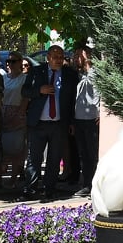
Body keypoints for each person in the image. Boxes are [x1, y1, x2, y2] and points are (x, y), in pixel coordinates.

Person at [27, 44, 77, 201]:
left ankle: (50, 188)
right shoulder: (37, 71)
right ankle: (31, 188)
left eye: (61, 57)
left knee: (54, 159)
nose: (58, 60)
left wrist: (71, 122)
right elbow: (25, 91)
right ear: (48, 57)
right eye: (55, 57)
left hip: (58, 124)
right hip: (39, 123)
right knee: (34, 158)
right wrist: (39, 90)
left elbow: (72, 100)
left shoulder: (70, 75)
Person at [73, 46, 101, 197]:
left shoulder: (95, 73)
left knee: (92, 154)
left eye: (79, 54)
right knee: (83, 154)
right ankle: (87, 184)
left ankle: (96, 185)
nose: (77, 56)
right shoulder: (79, 74)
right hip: (79, 119)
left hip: (92, 119)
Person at [0, 52, 29, 189]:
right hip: (3, 112)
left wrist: (20, 113)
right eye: (8, 61)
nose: (10, 64)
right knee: (3, 147)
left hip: (18, 113)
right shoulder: (3, 78)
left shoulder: (24, 79)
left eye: (13, 61)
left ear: (20, 62)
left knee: (17, 148)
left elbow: (26, 98)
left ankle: (14, 177)